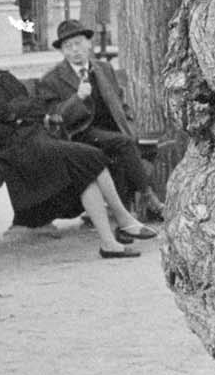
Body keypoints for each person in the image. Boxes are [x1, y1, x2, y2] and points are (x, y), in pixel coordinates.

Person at [0, 37, 156, 258]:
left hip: (32, 138)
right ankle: (123, 220)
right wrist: (19, 110)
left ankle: (110, 241)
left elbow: (34, 105)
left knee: (87, 164)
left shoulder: (1, 75)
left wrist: (18, 110)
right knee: (89, 157)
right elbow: (3, 112)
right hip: (8, 148)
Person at [32, 19, 163, 222]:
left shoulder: (103, 68)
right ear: (63, 52)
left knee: (129, 146)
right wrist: (77, 98)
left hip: (110, 131)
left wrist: (131, 125)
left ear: (88, 44)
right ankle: (147, 196)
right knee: (122, 144)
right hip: (78, 134)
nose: (75, 50)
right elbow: (56, 118)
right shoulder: (52, 79)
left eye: (78, 43)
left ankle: (125, 217)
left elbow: (121, 103)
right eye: (68, 46)